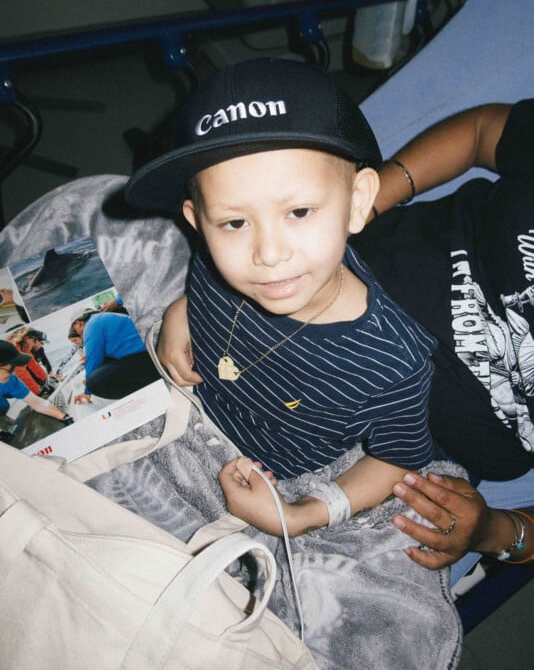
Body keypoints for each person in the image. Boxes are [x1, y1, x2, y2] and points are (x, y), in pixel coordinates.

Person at [124, 57, 452, 538]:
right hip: (171, 402)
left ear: (358, 202)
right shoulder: (217, 261)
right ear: (198, 223)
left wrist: (303, 515)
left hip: (258, 475)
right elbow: (206, 280)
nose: (269, 254)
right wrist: (183, 312)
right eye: (235, 222)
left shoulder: (393, 363)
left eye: (298, 211)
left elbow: (395, 460)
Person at [354, 100, 534, 573]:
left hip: (425, 457)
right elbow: (482, 133)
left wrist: (491, 531)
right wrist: (366, 203)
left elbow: (521, 535)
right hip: (357, 279)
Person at [69, 308, 160, 402]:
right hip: (151, 353)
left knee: (93, 383)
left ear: (79, 323)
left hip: (148, 358)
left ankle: (143, 397)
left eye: (75, 329)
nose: (78, 333)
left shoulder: (91, 325)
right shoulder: (103, 318)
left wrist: (87, 391)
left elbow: (93, 360)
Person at [0, 339, 73, 435]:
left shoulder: (11, 380)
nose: (14, 372)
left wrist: (64, 417)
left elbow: (36, 403)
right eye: (11, 368)